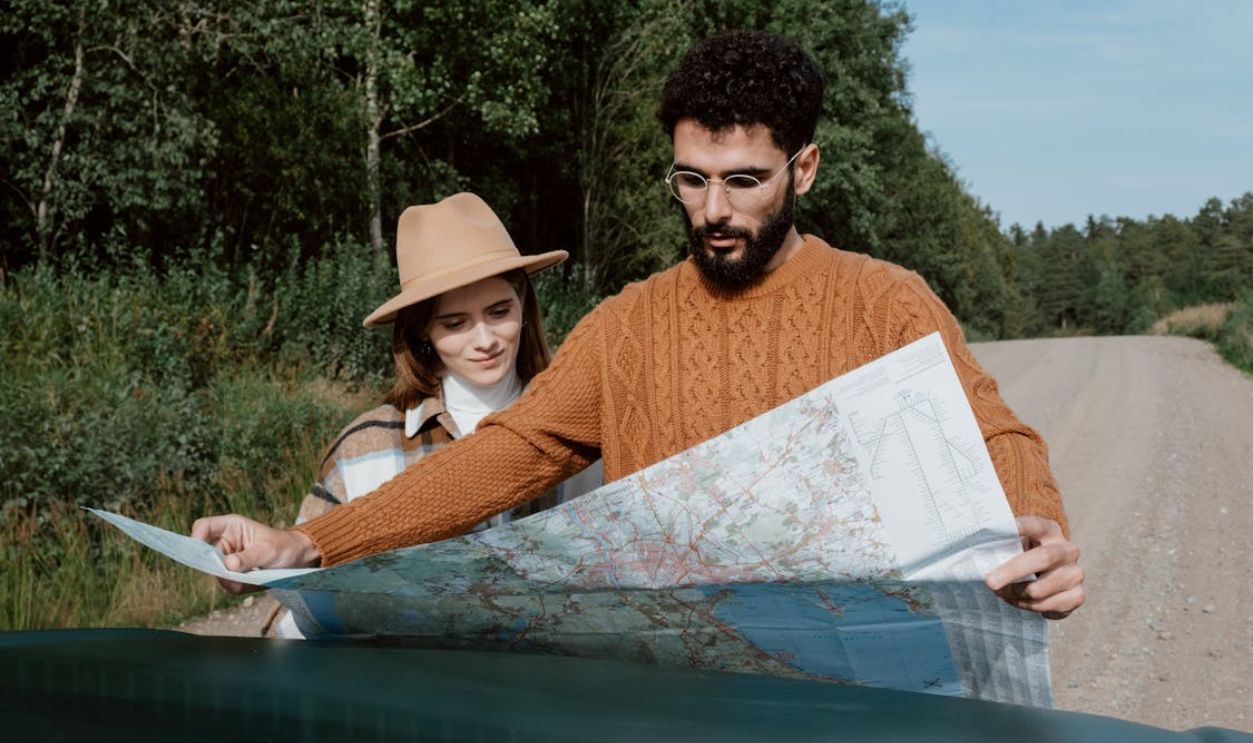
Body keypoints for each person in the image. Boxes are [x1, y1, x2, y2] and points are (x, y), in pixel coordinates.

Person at [194, 31, 1084, 620]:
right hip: (677, 691)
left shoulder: (882, 298)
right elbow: (506, 451)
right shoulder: (630, 324)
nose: (711, 211)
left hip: (840, 693)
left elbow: (992, 430)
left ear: (803, 168)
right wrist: (310, 540)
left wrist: (1033, 522)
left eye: (743, 180)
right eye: (689, 180)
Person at [264, 192, 598, 625]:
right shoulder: (364, 447)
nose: (485, 340)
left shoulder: (580, 425)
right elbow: (296, 603)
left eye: (499, 312)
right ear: (422, 331)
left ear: (525, 307)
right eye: (454, 323)